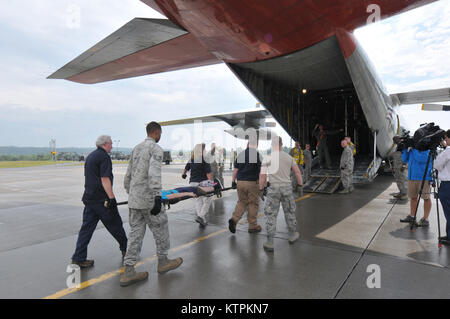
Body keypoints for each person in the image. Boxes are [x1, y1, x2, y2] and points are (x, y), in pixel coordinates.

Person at [120, 122, 182, 287]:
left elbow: (128, 176)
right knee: (160, 227)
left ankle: (128, 271)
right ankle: (163, 262)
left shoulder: (136, 148)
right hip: (148, 200)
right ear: (157, 133)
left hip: (134, 200)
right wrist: (156, 196)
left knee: (135, 234)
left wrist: (132, 193)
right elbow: (154, 173)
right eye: (160, 133)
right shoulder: (155, 149)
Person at [71, 135, 128, 268]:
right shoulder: (104, 157)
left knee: (86, 229)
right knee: (116, 225)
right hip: (102, 201)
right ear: (105, 144)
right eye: (111, 144)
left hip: (90, 199)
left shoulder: (91, 156)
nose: (112, 146)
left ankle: (78, 258)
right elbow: (105, 179)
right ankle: (128, 250)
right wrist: (112, 198)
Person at [260, 137, 302, 252]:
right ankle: (292, 234)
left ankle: (270, 242)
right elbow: (297, 172)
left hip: (273, 189)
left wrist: (261, 188)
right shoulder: (289, 157)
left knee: (271, 214)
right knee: (289, 211)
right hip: (287, 189)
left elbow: (262, 176)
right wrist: (300, 186)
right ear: (281, 144)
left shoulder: (267, 158)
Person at [228, 139, 263, 234]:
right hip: (252, 183)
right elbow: (261, 172)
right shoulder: (257, 155)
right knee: (253, 203)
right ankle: (253, 226)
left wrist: (232, 181)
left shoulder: (241, 154)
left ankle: (234, 219)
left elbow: (235, 169)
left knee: (242, 202)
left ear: (247, 144)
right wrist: (262, 185)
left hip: (240, 182)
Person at [400, 146, 433, 227]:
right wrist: (404, 149)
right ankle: (412, 216)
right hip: (412, 176)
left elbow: (421, 159)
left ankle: (425, 219)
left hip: (424, 177)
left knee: (426, 198)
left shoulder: (428, 148)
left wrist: (413, 149)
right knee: (413, 197)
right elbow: (405, 159)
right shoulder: (412, 149)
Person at [182, 143, 212, 227]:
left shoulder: (192, 159)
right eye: (204, 149)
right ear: (202, 150)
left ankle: (202, 220)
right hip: (202, 183)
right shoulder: (205, 159)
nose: (205, 151)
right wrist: (210, 184)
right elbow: (208, 173)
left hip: (192, 183)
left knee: (198, 201)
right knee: (208, 199)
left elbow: (186, 168)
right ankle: (201, 216)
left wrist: (184, 175)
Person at [435, 130, 450, 244]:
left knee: (448, 212)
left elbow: (437, 165)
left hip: (447, 185)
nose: (445, 140)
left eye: (446, 138)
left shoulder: (448, 151)